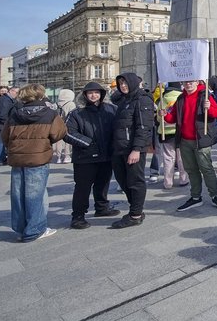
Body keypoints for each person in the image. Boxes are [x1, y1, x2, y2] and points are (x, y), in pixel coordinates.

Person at [2, 83, 67, 242]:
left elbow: (4, 136)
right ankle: (35, 230)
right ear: (40, 95)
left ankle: (20, 228)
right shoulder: (49, 113)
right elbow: (59, 133)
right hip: (38, 157)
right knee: (35, 194)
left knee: (18, 194)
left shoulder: (15, 113)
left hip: (17, 158)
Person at [64, 82, 120, 229]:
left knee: (103, 183)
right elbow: (68, 132)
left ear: (101, 94)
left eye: (96, 92)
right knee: (83, 187)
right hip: (85, 158)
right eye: (90, 93)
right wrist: (87, 143)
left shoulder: (111, 109)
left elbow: (119, 127)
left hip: (106, 155)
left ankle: (102, 208)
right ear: (85, 95)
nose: (93, 95)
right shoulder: (76, 113)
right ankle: (78, 216)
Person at [166, 80, 217, 212]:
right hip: (184, 140)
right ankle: (195, 197)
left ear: (197, 82)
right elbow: (173, 118)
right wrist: (164, 115)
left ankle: (215, 195)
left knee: (206, 168)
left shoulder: (204, 95)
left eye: (191, 81)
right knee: (191, 169)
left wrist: (209, 106)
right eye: (186, 82)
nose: (188, 84)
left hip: (201, 139)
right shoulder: (181, 97)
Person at [110, 72, 155, 228]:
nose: (123, 86)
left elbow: (144, 127)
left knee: (135, 181)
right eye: (121, 83)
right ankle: (135, 209)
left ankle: (135, 214)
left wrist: (136, 149)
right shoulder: (124, 99)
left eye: (126, 83)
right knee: (123, 180)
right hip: (120, 148)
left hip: (133, 148)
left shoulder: (142, 99)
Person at [155, 84, 187, 189]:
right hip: (180, 131)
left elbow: (159, 118)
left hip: (166, 133)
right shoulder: (183, 97)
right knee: (182, 157)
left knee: (168, 158)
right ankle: (183, 179)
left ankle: (168, 183)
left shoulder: (162, 99)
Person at [52, 88, 77, 163]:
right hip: (68, 124)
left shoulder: (57, 103)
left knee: (59, 141)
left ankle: (58, 157)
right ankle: (67, 156)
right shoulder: (71, 104)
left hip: (58, 124)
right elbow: (73, 115)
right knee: (68, 141)